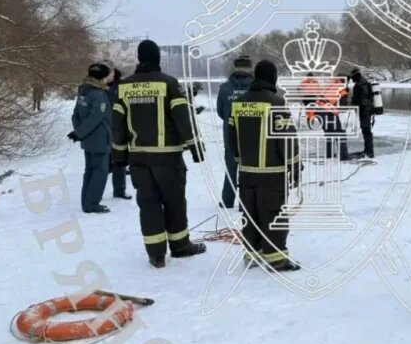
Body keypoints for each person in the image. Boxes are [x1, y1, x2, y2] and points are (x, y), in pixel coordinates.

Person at [111, 40, 208, 268]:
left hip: (139, 158)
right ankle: (180, 246)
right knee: (174, 201)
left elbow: (117, 126)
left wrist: (118, 156)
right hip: (168, 158)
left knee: (148, 204)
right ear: (157, 59)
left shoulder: (124, 87)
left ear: (139, 57)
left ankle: (156, 254)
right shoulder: (170, 84)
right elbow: (183, 119)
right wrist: (196, 147)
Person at [227, 60, 302, 272]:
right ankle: (276, 259)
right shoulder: (277, 103)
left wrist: (239, 160)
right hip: (272, 174)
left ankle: (252, 255)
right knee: (273, 214)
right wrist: (295, 168)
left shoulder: (239, 103)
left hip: (247, 173)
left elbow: (231, 139)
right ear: (273, 78)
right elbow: (287, 140)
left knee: (250, 215)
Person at [69, 62, 114, 214]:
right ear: (102, 77)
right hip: (100, 139)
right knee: (100, 171)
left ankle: (86, 202)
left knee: (89, 170)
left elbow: (75, 115)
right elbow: (95, 117)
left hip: (88, 140)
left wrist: (80, 133)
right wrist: (79, 133)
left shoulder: (83, 91)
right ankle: (93, 203)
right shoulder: (98, 94)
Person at [216, 55, 253, 209]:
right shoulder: (255, 88)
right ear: (250, 68)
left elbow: (220, 111)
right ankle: (244, 202)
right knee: (247, 169)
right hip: (250, 136)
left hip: (230, 136)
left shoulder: (224, 88)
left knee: (231, 168)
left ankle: (227, 200)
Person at [104, 62, 131, 200]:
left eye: (110, 71)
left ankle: (119, 190)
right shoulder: (97, 88)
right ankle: (96, 192)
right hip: (102, 129)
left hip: (119, 128)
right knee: (102, 163)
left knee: (119, 161)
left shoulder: (122, 86)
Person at [317, 75, 349, 160]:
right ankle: (344, 156)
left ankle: (329, 155)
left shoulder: (330, 84)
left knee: (329, 133)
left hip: (318, 111)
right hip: (328, 112)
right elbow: (343, 107)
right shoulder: (342, 90)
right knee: (340, 133)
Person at [348, 68, 375, 158]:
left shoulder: (359, 86)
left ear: (355, 76)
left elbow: (358, 100)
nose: (352, 79)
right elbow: (370, 97)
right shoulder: (367, 83)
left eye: (352, 77)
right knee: (366, 130)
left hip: (364, 111)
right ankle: (368, 150)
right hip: (368, 110)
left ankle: (369, 151)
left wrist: (352, 103)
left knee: (366, 130)